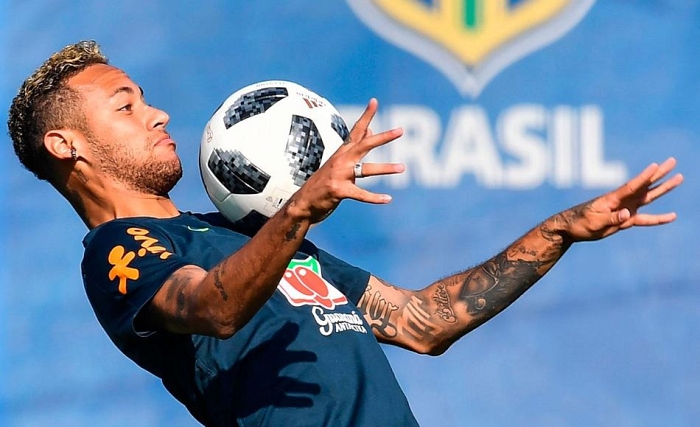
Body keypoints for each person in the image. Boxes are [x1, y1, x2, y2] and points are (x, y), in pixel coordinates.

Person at [8, 40, 683, 427]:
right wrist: (298, 209)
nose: (156, 113)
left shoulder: (244, 237)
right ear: (66, 144)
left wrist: (559, 231)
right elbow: (212, 306)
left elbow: (424, 321)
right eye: (126, 105)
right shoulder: (118, 251)